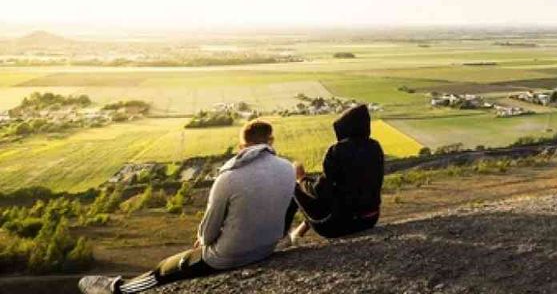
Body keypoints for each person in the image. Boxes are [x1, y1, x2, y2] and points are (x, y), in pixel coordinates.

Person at [79, 120, 295, 293]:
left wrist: (202, 243)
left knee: (165, 269)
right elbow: (286, 211)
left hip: (230, 256)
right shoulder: (288, 168)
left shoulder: (229, 177)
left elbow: (208, 233)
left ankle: (116, 288)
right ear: (271, 140)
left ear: (241, 146)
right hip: (267, 248)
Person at [286, 104, 384, 240]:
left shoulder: (337, 151)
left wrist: (300, 177)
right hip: (370, 219)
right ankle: (298, 233)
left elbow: (318, 192)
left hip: (338, 226)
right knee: (335, 196)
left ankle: (282, 237)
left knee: (291, 185)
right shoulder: (375, 147)